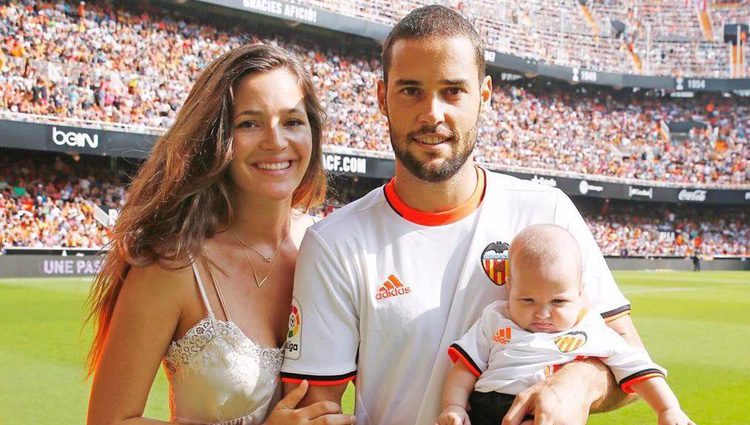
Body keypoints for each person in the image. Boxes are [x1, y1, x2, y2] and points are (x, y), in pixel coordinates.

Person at [281, 5, 643, 425]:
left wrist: (577, 383)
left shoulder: (548, 211)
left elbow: (628, 355)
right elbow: (313, 411)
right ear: (382, 97)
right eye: (411, 90)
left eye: (452, 91)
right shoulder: (335, 243)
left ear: (484, 96)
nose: (432, 113)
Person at [85, 43, 355, 425]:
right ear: (217, 139)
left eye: (293, 121)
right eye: (249, 123)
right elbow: (108, 421)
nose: (276, 141)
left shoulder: (329, 245)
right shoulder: (173, 266)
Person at [437, 224, 695, 425]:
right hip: (484, 408)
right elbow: (464, 369)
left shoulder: (590, 328)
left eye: (558, 301)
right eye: (527, 300)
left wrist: (667, 408)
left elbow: (637, 366)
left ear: (580, 293)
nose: (542, 313)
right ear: (509, 288)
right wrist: (454, 406)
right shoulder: (495, 318)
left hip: (544, 412)